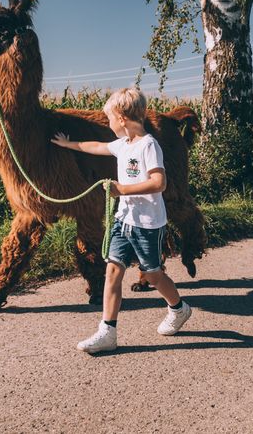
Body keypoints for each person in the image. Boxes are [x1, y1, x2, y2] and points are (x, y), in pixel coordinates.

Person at [51, 87, 191, 353]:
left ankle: (179, 308)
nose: (109, 123)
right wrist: (68, 144)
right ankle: (107, 331)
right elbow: (97, 147)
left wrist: (123, 190)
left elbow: (159, 182)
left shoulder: (148, 145)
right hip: (123, 220)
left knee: (152, 275)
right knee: (113, 271)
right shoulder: (122, 145)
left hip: (147, 224)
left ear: (123, 118)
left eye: (110, 118)